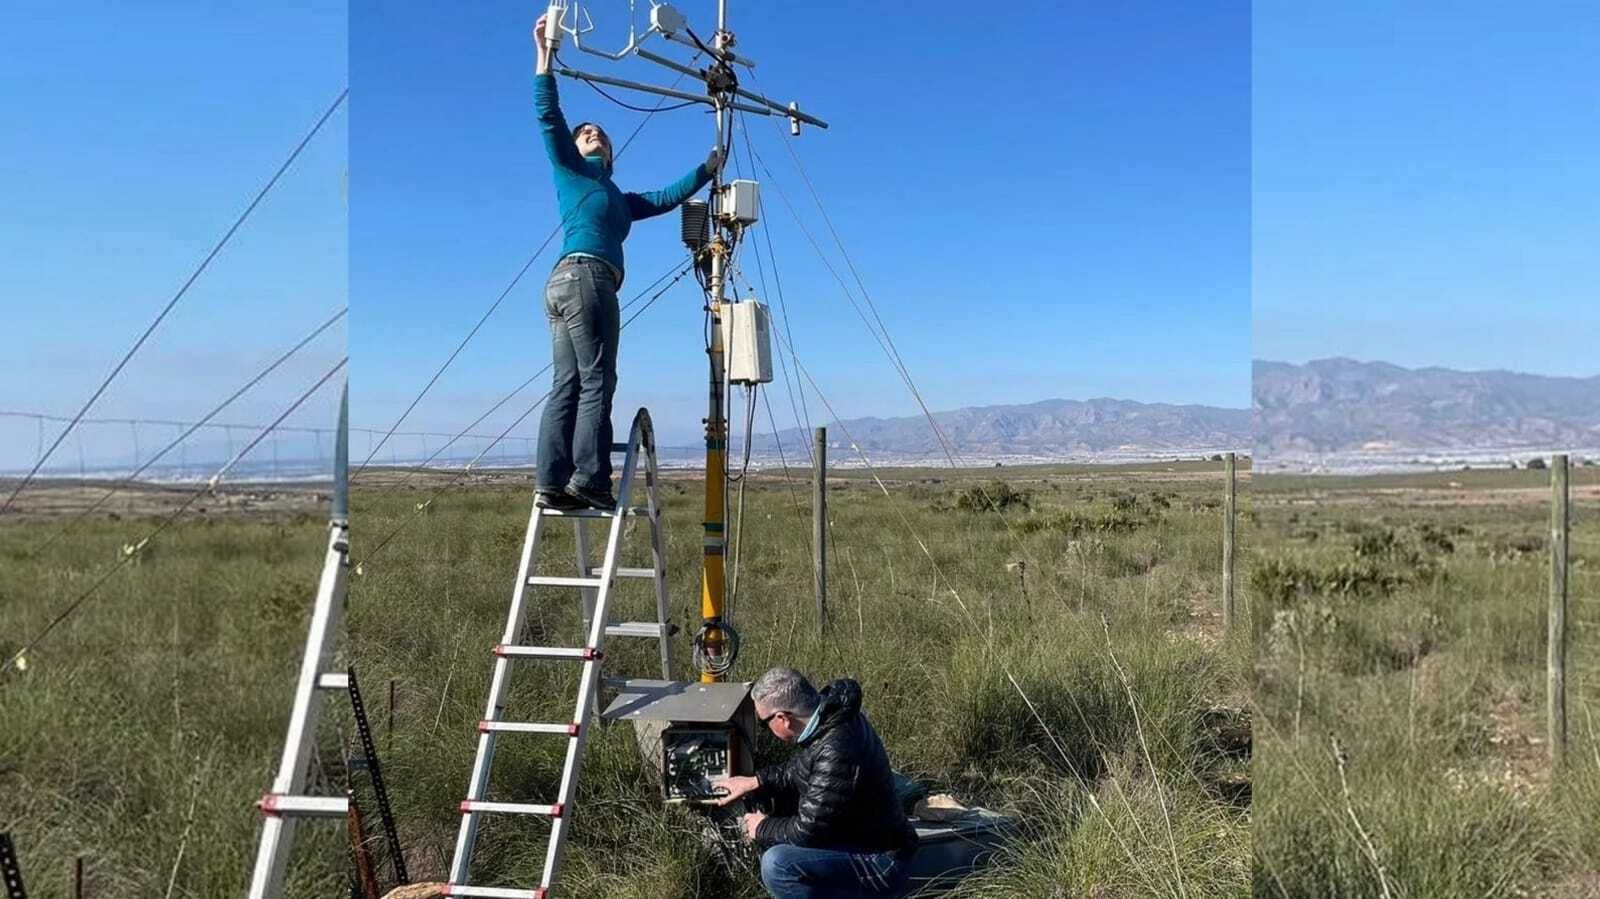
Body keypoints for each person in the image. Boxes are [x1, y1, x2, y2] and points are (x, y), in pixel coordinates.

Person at [530, 14, 721, 511]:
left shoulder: (615, 195)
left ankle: (553, 483)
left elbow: (661, 198)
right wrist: (544, 57)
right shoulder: (571, 171)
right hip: (586, 277)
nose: (592, 131)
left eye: (599, 133)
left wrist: (706, 170)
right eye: (585, 132)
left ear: (610, 154)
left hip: (566, 284)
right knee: (597, 379)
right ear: (577, 149)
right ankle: (590, 479)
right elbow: (549, 118)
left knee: (569, 382)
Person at [712, 668, 919, 899]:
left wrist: (761, 827)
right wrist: (755, 781)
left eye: (764, 723)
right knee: (777, 807)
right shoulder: (831, 718)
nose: (766, 730)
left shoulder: (837, 747)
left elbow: (806, 832)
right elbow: (800, 769)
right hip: (862, 839)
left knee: (777, 864)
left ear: (783, 718)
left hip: (881, 861)